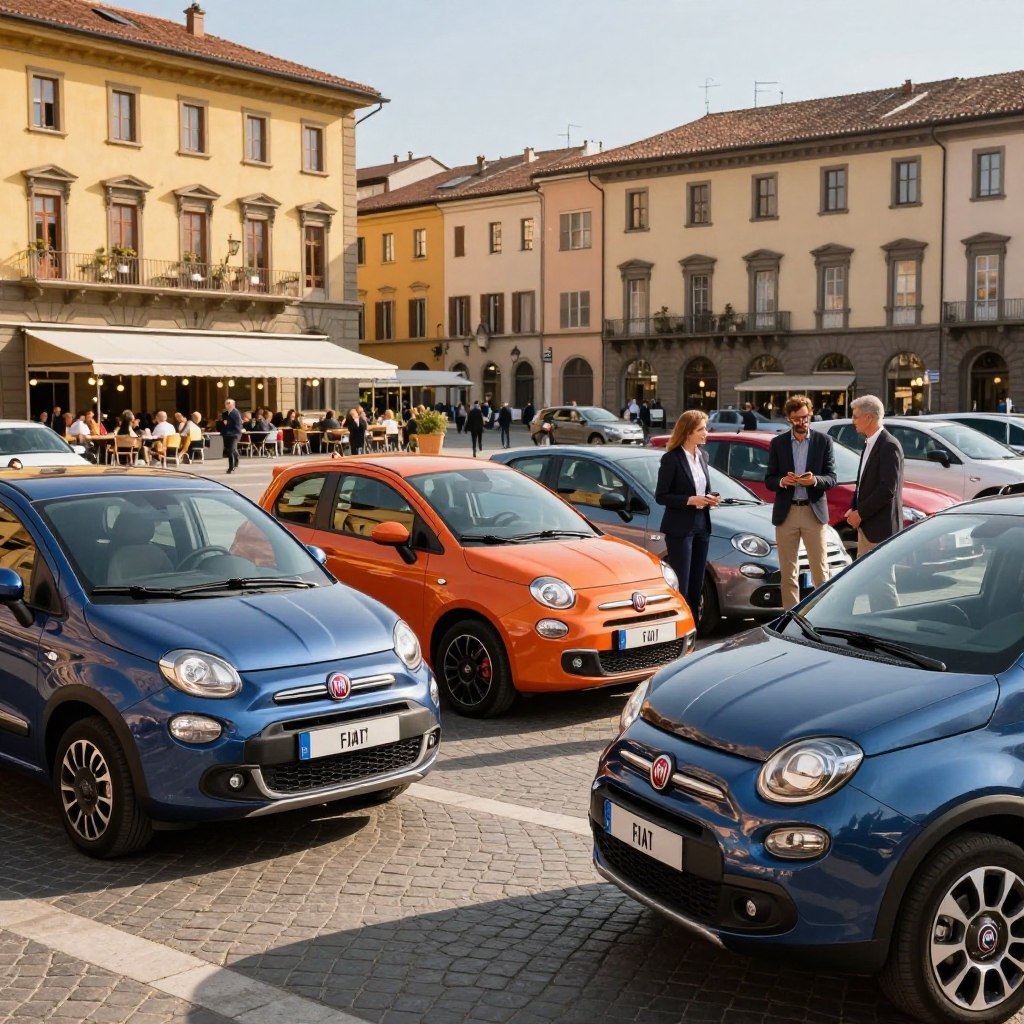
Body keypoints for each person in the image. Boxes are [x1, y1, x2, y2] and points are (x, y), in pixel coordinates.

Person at [765, 395, 837, 609]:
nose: (803, 422)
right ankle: (790, 616)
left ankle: (822, 615)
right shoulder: (778, 443)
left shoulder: (823, 441)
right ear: (789, 419)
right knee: (788, 572)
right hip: (786, 513)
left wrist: (814, 480)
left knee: (820, 570)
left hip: (813, 512)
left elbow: (832, 477)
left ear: (811, 414)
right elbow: (769, 479)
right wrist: (782, 481)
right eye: (797, 419)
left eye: (806, 417)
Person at [655, 410, 720, 625]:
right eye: (701, 429)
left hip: (702, 524)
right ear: (688, 432)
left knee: (697, 581)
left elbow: (703, 488)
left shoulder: (704, 456)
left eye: (705, 429)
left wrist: (710, 498)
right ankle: (679, 625)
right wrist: (690, 500)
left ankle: (693, 625)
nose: (706, 433)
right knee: (682, 580)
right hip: (680, 527)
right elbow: (662, 496)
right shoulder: (671, 459)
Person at [844, 395, 904, 558]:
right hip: (867, 527)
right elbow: (863, 484)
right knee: (867, 581)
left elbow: (887, 489)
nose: (852, 421)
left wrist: (860, 513)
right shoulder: (870, 443)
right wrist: (853, 508)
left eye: (855, 416)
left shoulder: (888, 445)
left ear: (869, 417)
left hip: (880, 530)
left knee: (883, 582)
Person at [219, 398, 243, 474]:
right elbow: (222, 424)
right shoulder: (225, 414)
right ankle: (236, 458)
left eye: (229, 404)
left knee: (231, 451)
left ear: (233, 405)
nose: (227, 406)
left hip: (234, 434)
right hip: (227, 434)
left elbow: (238, 425)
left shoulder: (236, 413)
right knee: (229, 449)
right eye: (226, 404)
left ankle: (231, 467)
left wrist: (228, 423)